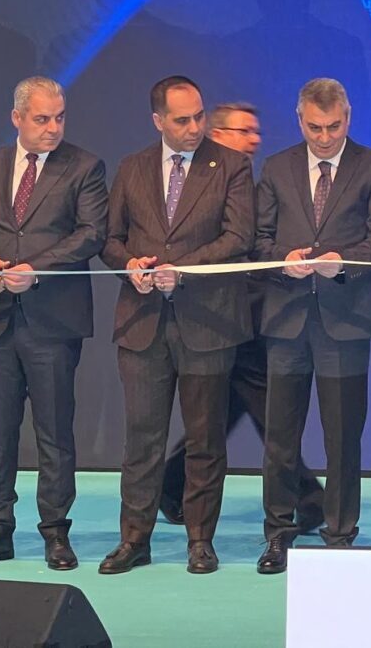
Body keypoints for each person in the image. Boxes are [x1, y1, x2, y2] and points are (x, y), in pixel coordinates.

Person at [98, 76, 254, 575]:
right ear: (158, 121)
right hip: (142, 324)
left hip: (208, 323)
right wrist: (129, 265)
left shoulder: (231, 166)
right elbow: (110, 239)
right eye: (182, 119)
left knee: (205, 440)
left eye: (199, 116)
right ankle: (134, 539)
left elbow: (239, 237)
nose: (194, 127)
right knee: (142, 440)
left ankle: (200, 540)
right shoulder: (132, 167)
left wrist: (181, 269)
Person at [254, 79, 371, 574]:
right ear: (299, 120)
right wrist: (284, 259)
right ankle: (278, 534)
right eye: (314, 127)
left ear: (348, 118)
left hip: (346, 322)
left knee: (342, 439)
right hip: (286, 321)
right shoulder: (276, 167)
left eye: (333, 126)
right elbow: (259, 241)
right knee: (280, 439)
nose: (323, 137)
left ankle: (340, 535)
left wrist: (344, 263)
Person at [158, 104, 324, 531]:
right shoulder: (202, 186)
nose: (254, 139)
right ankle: (308, 497)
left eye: (256, 131)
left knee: (232, 404)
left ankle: (170, 485)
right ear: (216, 134)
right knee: (262, 403)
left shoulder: (253, 182)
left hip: (252, 310)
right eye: (243, 131)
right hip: (217, 312)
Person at [0, 77, 107, 570]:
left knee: (54, 432)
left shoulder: (85, 167)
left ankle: (55, 531)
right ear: (17, 118)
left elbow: (92, 233)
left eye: (59, 117)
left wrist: (35, 269)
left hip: (52, 321)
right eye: (42, 119)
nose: (53, 127)